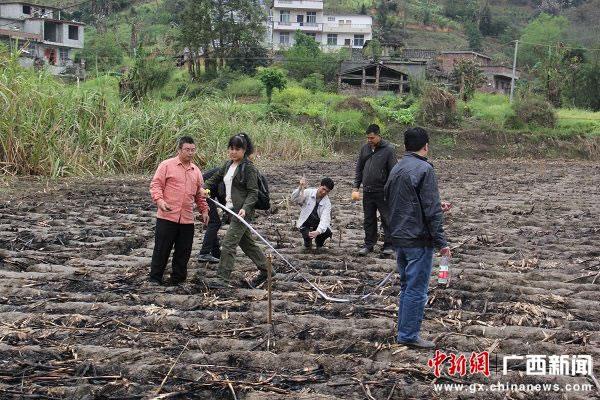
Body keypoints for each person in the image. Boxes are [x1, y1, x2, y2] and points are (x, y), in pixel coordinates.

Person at [384, 127, 451, 349]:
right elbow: (431, 210)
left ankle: (404, 331)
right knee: (416, 289)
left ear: (406, 145)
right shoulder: (425, 169)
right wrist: (442, 243)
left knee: (406, 287)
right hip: (418, 239)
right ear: (426, 146)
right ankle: (408, 335)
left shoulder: (397, 168)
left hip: (399, 237)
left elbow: (397, 201)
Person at [203, 133, 270, 288]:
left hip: (242, 213)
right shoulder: (228, 165)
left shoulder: (249, 168)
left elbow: (253, 192)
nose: (233, 152)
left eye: (237, 149)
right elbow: (215, 178)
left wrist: (245, 208)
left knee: (228, 244)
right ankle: (268, 271)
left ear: (244, 150)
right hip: (231, 210)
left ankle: (222, 279)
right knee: (247, 245)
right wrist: (204, 188)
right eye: (231, 148)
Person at [149, 136, 209, 285]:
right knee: (162, 249)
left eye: (193, 150)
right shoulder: (166, 165)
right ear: (179, 150)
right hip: (167, 216)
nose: (190, 153)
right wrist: (160, 201)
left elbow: (199, 194)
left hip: (187, 219)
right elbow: (156, 185)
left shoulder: (196, 171)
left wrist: (204, 210)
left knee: (184, 251)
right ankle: (155, 278)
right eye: (187, 150)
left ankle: (178, 280)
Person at [352, 124, 396, 257]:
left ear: (378, 135)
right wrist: (356, 187)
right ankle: (369, 244)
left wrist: (389, 190)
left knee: (386, 218)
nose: (369, 140)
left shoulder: (388, 149)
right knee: (369, 219)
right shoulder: (365, 149)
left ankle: (389, 245)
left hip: (382, 191)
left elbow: (393, 172)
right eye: (368, 138)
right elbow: (359, 169)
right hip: (367, 190)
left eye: (372, 138)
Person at [291, 177, 334, 250]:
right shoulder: (308, 192)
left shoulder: (327, 203)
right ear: (320, 186)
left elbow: (325, 219)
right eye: (323, 189)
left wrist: (318, 231)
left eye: (327, 191)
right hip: (306, 223)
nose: (324, 192)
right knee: (307, 237)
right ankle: (307, 243)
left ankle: (319, 243)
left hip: (317, 224)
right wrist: (300, 187)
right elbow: (294, 199)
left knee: (327, 232)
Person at [196, 167, 226, 264]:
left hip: (209, 192)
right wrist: (227, 210)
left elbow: (221, 195)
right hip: (202, 192)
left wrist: (226, 210)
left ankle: (216, 253)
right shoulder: (226, 172)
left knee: (213, 223)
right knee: (215, 222)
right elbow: (221, 193)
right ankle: (204, 253)